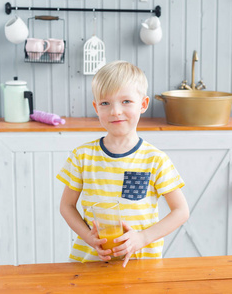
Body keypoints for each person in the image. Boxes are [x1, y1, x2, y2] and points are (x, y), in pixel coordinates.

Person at [58, 61, 189, 267]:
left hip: (141, 266)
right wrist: (88, 237)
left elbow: (181, 211)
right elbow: (66, 206)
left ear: (143, 104)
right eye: (105, 103)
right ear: (96, 107)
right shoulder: (81, 157)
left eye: (126, 101)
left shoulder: (155, 160)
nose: (115, 111)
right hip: (91, 264)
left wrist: (142, 238)